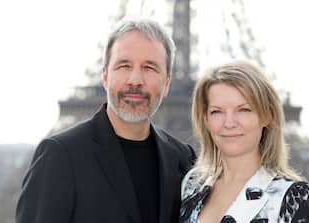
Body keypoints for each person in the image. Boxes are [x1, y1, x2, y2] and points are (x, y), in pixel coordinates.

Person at [16, 17, 195, 223]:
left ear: (167, 84)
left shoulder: (183, 159)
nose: (135, 80)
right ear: (105, 76)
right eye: (124, 65)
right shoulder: (60, 156)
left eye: (149, 67)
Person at [179, 61, 309, 223]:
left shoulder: (292, 196)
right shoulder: (191, 185)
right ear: (206, 120)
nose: (229, 123)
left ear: (266, 116)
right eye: (217, 111)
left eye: (243, 109)